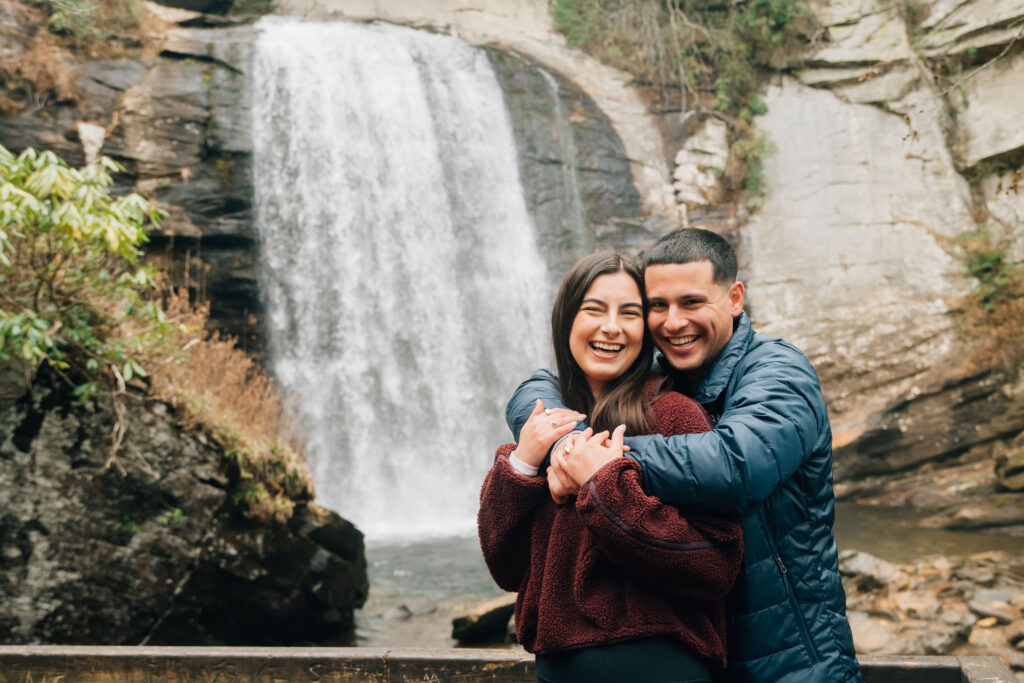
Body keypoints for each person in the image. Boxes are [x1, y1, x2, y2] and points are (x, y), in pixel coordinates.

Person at [506, 229, 862, 682]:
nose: (673, 322)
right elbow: (538, 386)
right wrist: (563, 446)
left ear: (734, 298)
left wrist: (599, 462)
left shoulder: (779, 371)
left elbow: (736, 465)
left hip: (790, 658)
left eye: (691, 302)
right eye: (658, 306)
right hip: (696, 651)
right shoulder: (655, 378)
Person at [478, 250, 743, 683]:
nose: (611, 328)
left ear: (646, 329)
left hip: (661, 668)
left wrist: (602, 485)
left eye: (630, 313)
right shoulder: (543, 428)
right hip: (557, 670)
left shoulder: (676, 416)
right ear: (566, 321)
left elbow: (715, 566)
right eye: (594, 310)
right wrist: (523, 464)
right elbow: (505, 569)